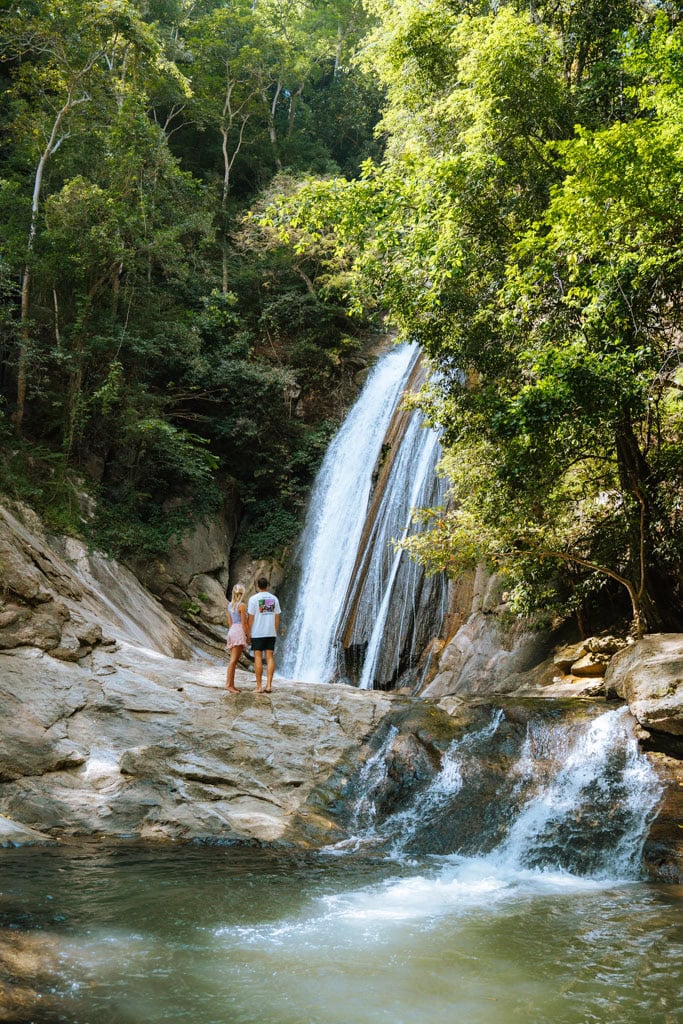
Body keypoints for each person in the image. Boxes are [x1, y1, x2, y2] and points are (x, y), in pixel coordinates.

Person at [247, 577, 281, 694]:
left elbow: (250, 619)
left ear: (257, 586)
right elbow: (277, 617)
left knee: (258, 657)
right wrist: (274, 631)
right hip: (270, 632)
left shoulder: (253, 599)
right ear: (267, 586)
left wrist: (248, 633)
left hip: (257, 632)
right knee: (270, 657)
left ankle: (259, 686)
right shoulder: (274, 599)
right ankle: (269, 685)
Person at [225, 583, 250, 694]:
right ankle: (228, 685)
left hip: (232, 631)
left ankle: (231, 685)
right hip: (239, 631)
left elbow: (230, 623)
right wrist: (249, 636)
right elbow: (244, 624)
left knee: (233, 660)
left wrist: (232, 633)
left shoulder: (230, 605)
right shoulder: (242, 606)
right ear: (242, 593)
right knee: (233, 661)